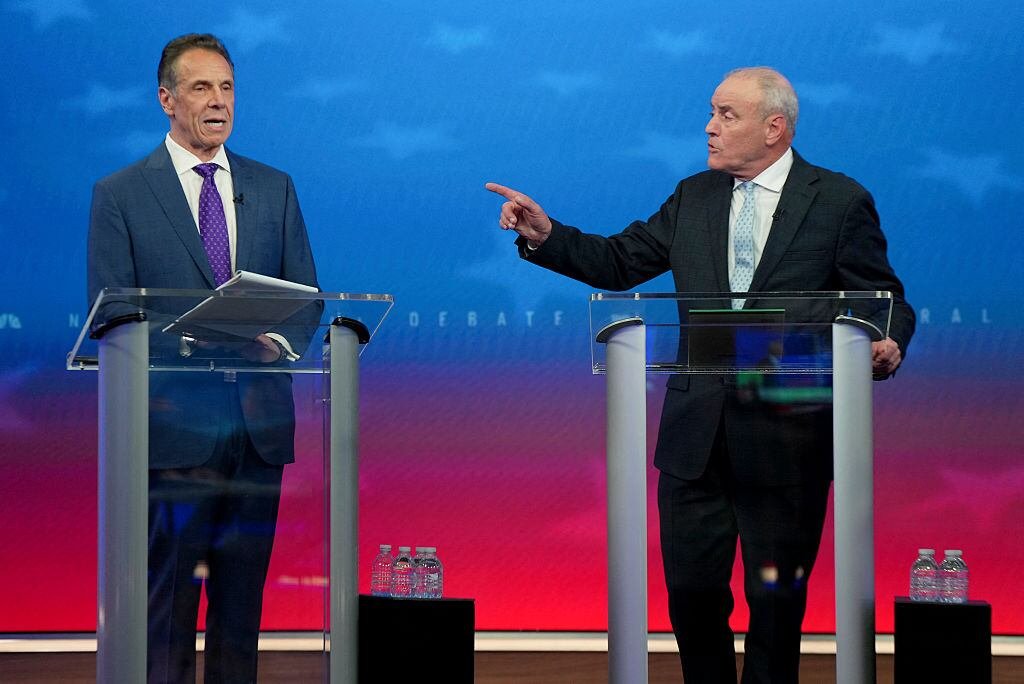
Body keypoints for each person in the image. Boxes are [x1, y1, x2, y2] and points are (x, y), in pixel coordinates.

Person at [486, 66, 915, 683]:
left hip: (787, 440)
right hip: (695, 440)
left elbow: (886, 300)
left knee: (776, 606)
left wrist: (885, 339)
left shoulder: (839, 200)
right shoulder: (695, 196)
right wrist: (546, 235)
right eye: (711, 113)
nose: (709, 128)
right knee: (691, 596)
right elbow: (618, 261)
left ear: (775, 128)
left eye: (726, 115)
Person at [87, 33, 320, 683]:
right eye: (200, 88)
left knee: (241, 609)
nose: (218, 102)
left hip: (257, 431)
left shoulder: (273, 188)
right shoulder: (123, 195)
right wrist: (199, 337)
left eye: (227, 88)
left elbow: (306, 299)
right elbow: (112, 314)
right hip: (172, 434)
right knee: (169, 608)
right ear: (166, 99)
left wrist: (270, 342)